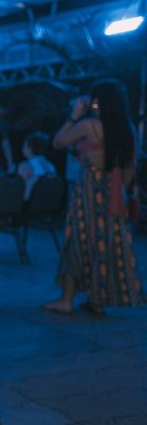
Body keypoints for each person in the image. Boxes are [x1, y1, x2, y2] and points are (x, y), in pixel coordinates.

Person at [44, 79, 143, 315]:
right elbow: (130, 167)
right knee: (105, 242)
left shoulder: (89, 126)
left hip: (89, 189)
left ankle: (66, 300)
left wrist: (74, 114)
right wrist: (123, 192)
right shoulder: (127, 130)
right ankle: (97, 299)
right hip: (114, 193)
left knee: (77, 240)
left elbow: (58, 142)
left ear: (98, 101)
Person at [16, 131, 57, 200]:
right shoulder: (51, 166)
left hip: (28, 205)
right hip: (48, 204)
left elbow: (18, 188)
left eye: (24, 146)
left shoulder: (25, 166)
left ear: (30, 149)